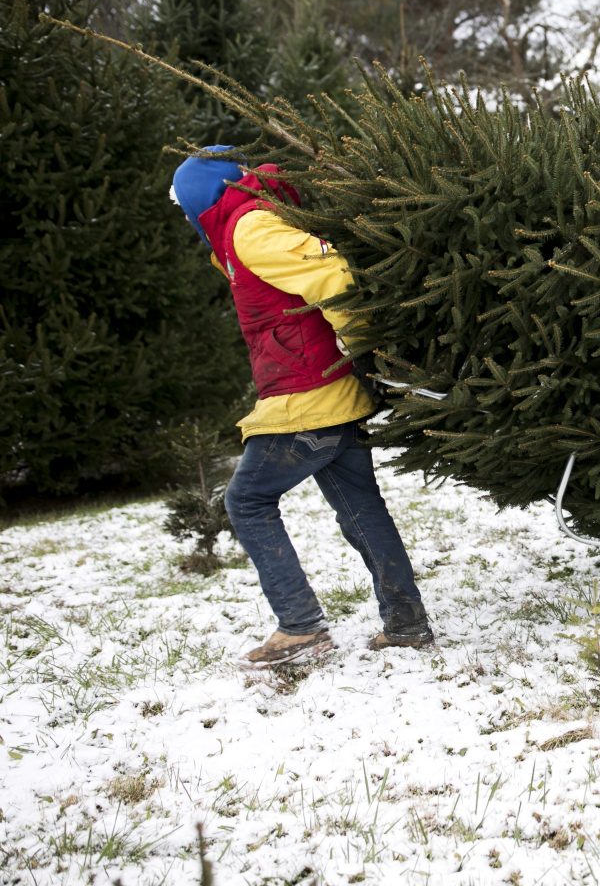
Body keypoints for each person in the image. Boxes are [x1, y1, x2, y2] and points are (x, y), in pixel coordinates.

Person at [171, 146, 433, 664]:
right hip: (322, 392)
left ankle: (300, 625)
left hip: (308, 396)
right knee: (361, 510)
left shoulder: (249, 228)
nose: (184, 217)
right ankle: (405, 623)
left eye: (183, 207)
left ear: (202, 199)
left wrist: (364, 349)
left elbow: (332, 274)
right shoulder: (244, 229)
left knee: (246, 501)